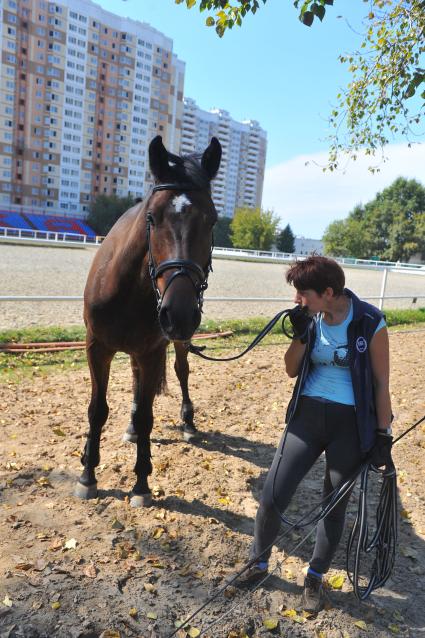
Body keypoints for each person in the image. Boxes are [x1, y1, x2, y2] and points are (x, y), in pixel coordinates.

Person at [236, 255, 394, 612]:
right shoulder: (311, 320)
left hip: (350, 425)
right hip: (306, 416)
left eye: (302, 293)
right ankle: (258, 561)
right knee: (274, 492)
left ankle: (315, 577)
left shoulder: (370, 322)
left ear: (327, 292)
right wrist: (300, 333)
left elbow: (382, 383)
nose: (296, 300)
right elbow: (291, 370)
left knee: (332, 506)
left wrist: (383, 433)